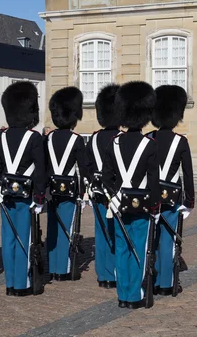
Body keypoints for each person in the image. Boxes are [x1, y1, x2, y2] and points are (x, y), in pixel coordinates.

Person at [102, 81, 160, 309]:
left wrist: (114, 197)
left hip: (118, 205)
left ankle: (122, 295)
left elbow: (106, 178)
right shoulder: (150, 145)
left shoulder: (114, 143)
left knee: (122, 250)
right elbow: (153, 181)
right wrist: (154, 206)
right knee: (138, 249)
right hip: (143, 206)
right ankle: (134, 295)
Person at [0, 81, 46, 296]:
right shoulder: (34, 137)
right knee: (25, 237)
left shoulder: (1, 137)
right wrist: (40, 196)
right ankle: (21, 284)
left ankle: (10, 282)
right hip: (27, 194)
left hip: (6, 193)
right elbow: (41, 169)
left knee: (8, 238)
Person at [149, 85, 195, 297]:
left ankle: (153, 278)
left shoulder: (148, 138)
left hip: (150, 196)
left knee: (152, 239)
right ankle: (165, 283)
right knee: (167, 241)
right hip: (172, 197)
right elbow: (187, 174)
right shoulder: (181, 141)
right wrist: (189, 202)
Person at [45, 86, 87, 281]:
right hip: (70, 188)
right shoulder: (77, 140)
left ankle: (52, 265)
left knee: (52, 226)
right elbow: (84, 168)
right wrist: (85, 191)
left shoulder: (48, 138)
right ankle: (62, 268)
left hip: (51, 187)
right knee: (66, 228)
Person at [86, 84, 120, 289]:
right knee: (116, 233)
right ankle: (113, 273)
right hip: (116, 193)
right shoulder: (120, 139)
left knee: (101, 232)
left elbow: (88, 166)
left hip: (98, 192)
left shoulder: (94, 138)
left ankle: (103, 275)